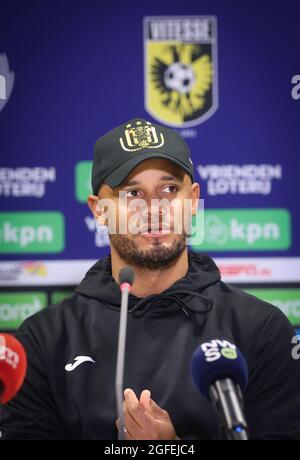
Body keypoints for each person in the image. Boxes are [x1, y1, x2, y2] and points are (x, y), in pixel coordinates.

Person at [1, 118, 300, 440]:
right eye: (132, 193)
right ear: (98, 209)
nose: (154, 208)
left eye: (169, 189)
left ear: (193, 199)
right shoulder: (44, 340)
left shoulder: (261, 329)